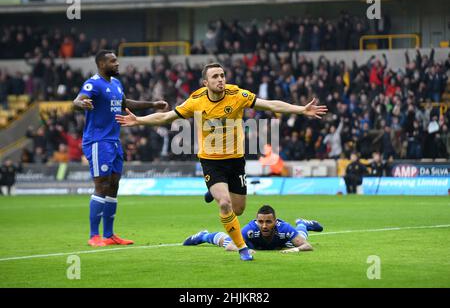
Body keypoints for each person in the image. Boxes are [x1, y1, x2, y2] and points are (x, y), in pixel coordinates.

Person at [116, 62, 328, 260]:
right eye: (215, 76)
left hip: (236, 161)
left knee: (238, 210)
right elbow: (166, 117)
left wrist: (301, 109)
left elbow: (270, 105)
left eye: (222, 75)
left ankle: (215, 193)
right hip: (211, 161)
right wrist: (138, 120)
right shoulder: (196, 100)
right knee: (224, 204)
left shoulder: (237, 94)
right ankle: (243, 250)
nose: (220, 79)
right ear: (205, 82)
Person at [73, 50, 168, 247]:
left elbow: (125, 103)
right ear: (101, 64)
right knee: (102, 184)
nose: (117, 64)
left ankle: (109, 234)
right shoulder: (93, 83)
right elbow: (77, 100)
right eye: (112, 61)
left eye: (116, 60)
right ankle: (94, 236)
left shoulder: (116, 84)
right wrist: (82, 103)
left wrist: (153, 104)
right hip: (98, 141)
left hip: (114, 141)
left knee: (114, 185)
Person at [183, 205, 323, 253]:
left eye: (268, 222)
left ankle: (302, 224)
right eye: (260, 221)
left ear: (275, 221)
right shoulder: (250, 229)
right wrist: (244, 250)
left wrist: (295, 249)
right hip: (253, 243)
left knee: (301, 239)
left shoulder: (284, 228)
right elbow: (230, 247)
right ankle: (204, 236)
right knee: (227, 241)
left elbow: (307, 246)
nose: (264, 225)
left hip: (279, 243)